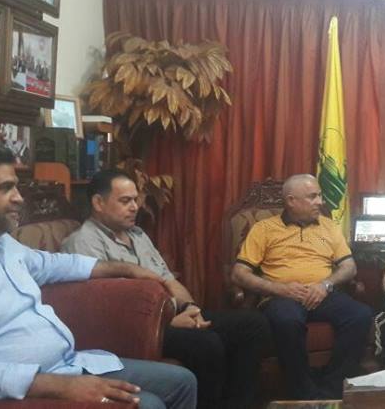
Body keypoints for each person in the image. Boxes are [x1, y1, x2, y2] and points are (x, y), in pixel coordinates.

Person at [0, 142, 197, 408]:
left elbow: (57, 264)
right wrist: (57, 386)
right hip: (24, 389)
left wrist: (128, 268)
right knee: (148, 404)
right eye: (6, 188)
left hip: (69, 363)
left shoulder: (4, 244)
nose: (19, 198)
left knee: (182, 381)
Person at [61, 169, 271, 409]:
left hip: (170, 314)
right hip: (134, 330)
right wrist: (167, 323)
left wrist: (191, 308)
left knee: (252, 324)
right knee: (206, 343)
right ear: (98, 202)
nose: (135, 207)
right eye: (125, 201)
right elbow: (105, 312)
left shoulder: (137, 235)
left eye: (135, 200)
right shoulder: (83, 242)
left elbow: (168, 280)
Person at [230, 174, 372, 400]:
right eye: (312, 197)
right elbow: (239, 273)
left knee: (360, 315)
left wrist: (325, 284)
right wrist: (279, 289)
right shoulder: (264, 229)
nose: (320, 202)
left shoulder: (329, 226)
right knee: (287, 321)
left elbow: (349, 267)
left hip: (322, 293)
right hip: (282, 296)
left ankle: (330, 390)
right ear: (291, 201)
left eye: (320, 196)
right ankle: (304, 394)